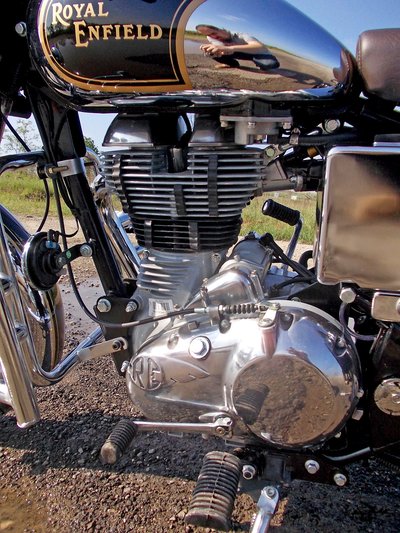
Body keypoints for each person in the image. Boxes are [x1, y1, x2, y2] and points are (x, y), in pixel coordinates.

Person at [196, 24, 280, 71]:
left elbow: (259, 46)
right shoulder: (211, 38)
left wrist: (231, 48)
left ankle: (261, 64)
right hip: (238, 52)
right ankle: (232, 64)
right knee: (210, 53)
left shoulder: (241, 35)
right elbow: (222, 49)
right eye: (208, 35)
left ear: (221, 30)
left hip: (258, 53)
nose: (213, 37)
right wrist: (216, 52)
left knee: (270, 64)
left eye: (213, 33)